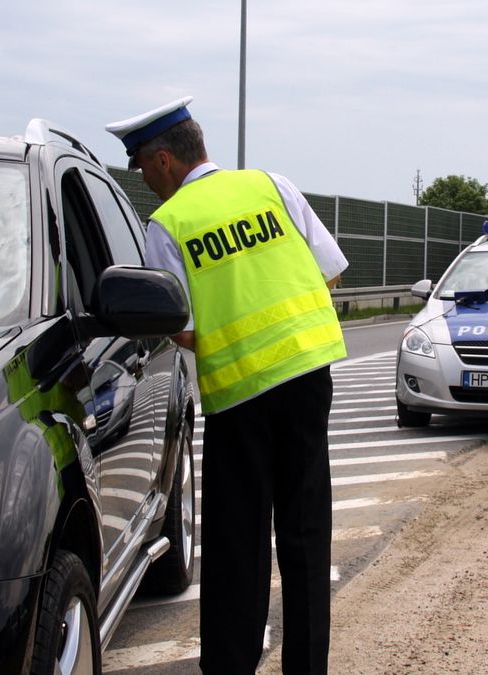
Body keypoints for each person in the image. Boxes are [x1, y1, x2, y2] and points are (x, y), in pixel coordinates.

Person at [106, 97, 348, 674]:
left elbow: (179, 329)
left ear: (164, 159)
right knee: (306, 535)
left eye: (141, 165)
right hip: (310, 377)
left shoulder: (168, 225)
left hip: (241, 398)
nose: (142, 178)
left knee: (238, 549)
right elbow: (332, 269)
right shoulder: (272, 184)